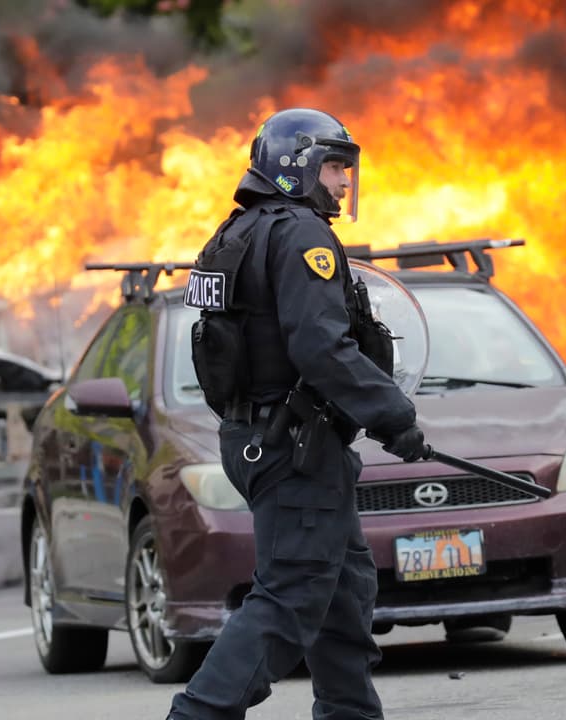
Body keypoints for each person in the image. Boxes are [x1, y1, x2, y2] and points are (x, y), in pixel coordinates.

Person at [167, 108, 428, 720]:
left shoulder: (237, 233)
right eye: (335, 166)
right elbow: (321, 348)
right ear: (297, 166)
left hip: (264, 433)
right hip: (296, 443)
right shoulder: (303, 236)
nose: (343, 182)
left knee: (343, 591)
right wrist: (394, 417)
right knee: (288, 600)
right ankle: (198, 715)